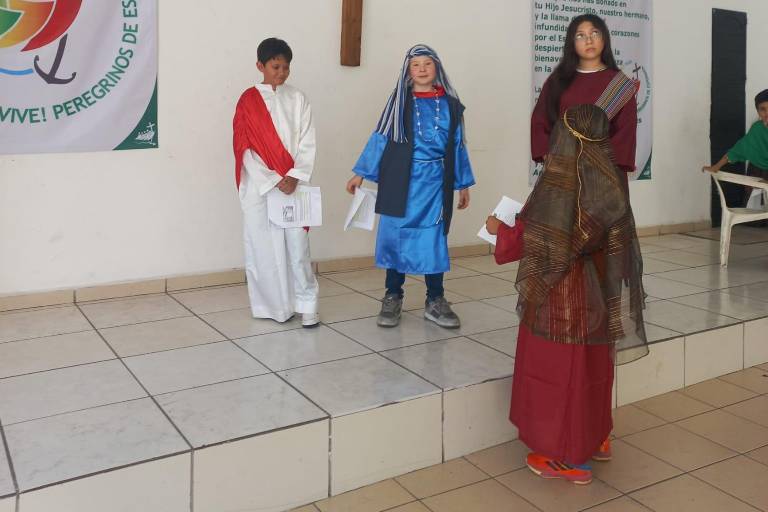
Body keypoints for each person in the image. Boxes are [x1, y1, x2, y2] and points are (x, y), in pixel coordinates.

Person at [486, 15, 648, 486]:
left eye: (594, 33)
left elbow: (535, 239)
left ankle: (565, 453)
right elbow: (554, 128)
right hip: (601, 200)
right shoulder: (611, 205)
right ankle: (596, 434)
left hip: (562, 300)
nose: (588, 40)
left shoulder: (561, 195)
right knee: (599, 345)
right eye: (579, 34)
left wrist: (502, 230)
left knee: (562, 362)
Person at [345, 44, 475, 329]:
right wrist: (360, 173)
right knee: (395, 238)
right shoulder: (399, 101)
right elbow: (381, 136)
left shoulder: (451, 104)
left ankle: (436, 299)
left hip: (435, 185)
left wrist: (462, 183)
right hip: (400, 180)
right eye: (416, 65)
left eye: (428, 64)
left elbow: (457, 145)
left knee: (434, 240)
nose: (422, 69)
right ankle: (393, 295)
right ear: (408, 70)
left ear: (437, 68)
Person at [233, 37, 319, 327]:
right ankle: (274, 306)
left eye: (286, 67)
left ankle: (307, 304)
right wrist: (270, 179)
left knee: (298, 247)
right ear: (260, 65)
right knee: (264, 247)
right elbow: (243, 147)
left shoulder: (298, 99)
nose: (281, 73)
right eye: (275, 66)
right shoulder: (248, 100)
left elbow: (307, 140)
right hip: (262, 186)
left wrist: (294, 176)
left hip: (294, 182)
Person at [703, 89, 768, 206]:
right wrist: (716, 167)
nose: (767, 113)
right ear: (758, 111)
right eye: (762, 109)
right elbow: (738, 149)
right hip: (758, 171)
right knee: (758, 208)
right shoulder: (757, 129)